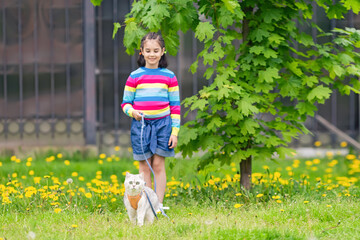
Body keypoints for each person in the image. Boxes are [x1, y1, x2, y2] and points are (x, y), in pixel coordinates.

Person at [121, 32, 180, 214]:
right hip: (141, 126)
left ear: (163, 51)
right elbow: (125, 104)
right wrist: (133, 113)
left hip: (163, 125)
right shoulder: (134, 77)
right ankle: (144, 206)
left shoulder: (169, 77)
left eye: (156, 50)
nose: (152, 54)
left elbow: (175, 107)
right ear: (141, 52)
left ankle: (158, 204)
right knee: (144, 165)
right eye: (148, 51)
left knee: (158, 165)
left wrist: (174, 132)